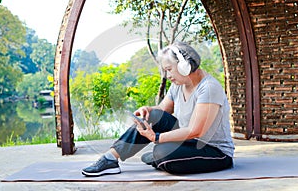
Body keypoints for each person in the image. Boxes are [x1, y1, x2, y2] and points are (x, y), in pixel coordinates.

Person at [81, 41, 235, 177]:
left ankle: (159, 157)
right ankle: (110, 158)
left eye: (169, 69)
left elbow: (196, 131)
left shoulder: (208, 88)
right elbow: (162, 110)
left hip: (214, 151)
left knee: (163, 152)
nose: (167, 75)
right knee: (152, 116)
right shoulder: (178, 85)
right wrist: (148, 110)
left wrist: (156, 138)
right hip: (188, 141)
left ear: (184, 66)